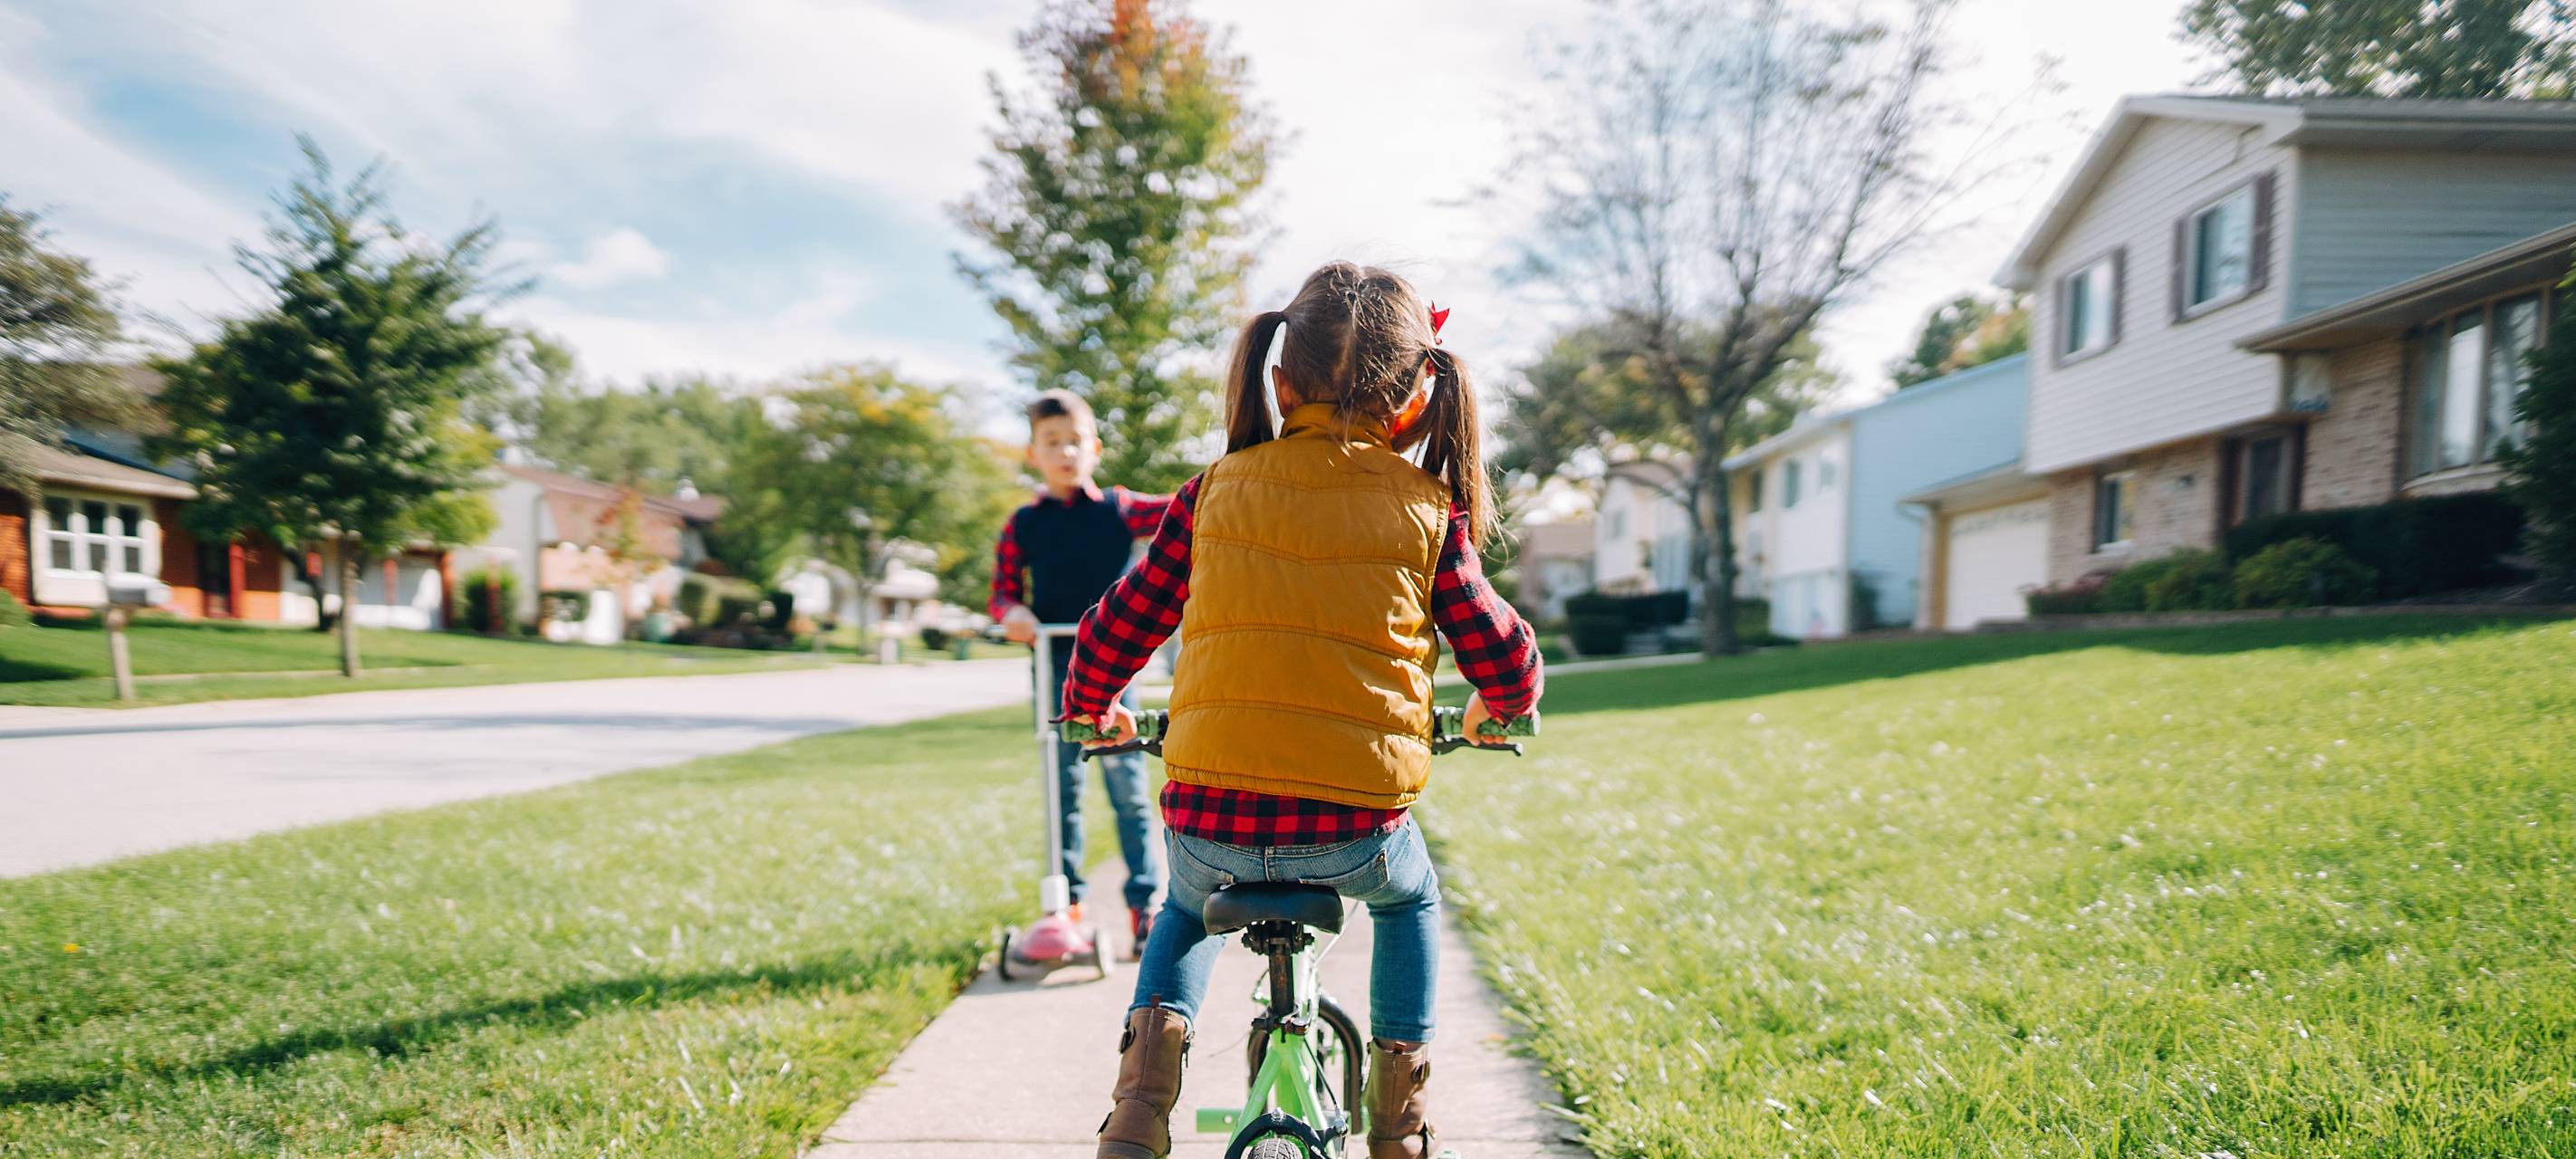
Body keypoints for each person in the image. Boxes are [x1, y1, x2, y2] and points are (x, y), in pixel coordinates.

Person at [1062, 262, 1543, 1159]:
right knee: (1411, 901)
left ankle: (1136, 1110)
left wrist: (1095, 709)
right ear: (1414, 400)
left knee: (1181, 906)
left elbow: (1115, 629)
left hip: (1211, 814)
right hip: (1356, 827)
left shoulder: (1210, 492)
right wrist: (1497, 707)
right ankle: (1400, 1120)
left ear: (1279, 382)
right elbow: (1500, 650)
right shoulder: (1429, 511)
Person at [990, 389, 1174, 953]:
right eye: (1052, 443)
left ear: (1094, 448)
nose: (1065, 451)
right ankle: (1065, 903)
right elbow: (1001, 594)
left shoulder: (1120, 509)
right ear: (1034, 454)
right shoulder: (1023, 524)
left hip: (1116, 669)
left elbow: (1183, 511)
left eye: (1075, 441)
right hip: (1053, 668)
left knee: (1129, 792)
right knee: (1061, 788)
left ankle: (1145, 906)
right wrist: (1013, 613)